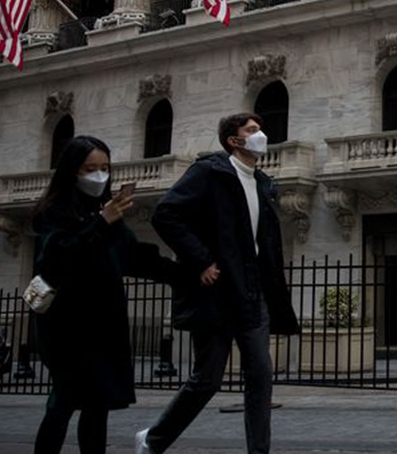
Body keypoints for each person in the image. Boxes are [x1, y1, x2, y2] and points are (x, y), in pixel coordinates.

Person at [137, 113, 299, 454]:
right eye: (252, 130)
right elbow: (165, 213)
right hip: (219, 290)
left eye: (259, 129)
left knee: (260, 377)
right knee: (207, 380)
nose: (261, 135)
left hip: (253, 290)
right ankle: (153, 440)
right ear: (234, 141)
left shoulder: (263, 181)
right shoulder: (210, 172)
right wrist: (200, 260)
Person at [31, 135, 180, 454]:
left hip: (103, 324)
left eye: (104, 168)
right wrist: (100, 222)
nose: (98, 175)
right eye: (89, 169)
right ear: (72, 171)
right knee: (63, 402)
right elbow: (56, 260)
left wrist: (188, 272)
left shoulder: (106, 212)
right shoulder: (54, 212)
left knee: (97, 405)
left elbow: (133, 256)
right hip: (66, 326)